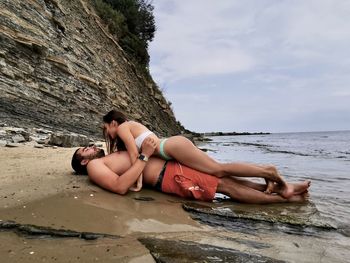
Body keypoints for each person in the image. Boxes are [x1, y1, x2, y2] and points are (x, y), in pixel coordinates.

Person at [102, 110, 290, 196]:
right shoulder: (130, 126)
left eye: (105, 129)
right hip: (172, 148)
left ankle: (268, 171)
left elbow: (136, 155)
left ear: (112, 122)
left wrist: (138, 182)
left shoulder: (122, 127)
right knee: (216, 173)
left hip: (171, 147)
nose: (108, 134)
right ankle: (266, 179)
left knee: (218, 170)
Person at [71, 137, 310, 204]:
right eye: (85, 150)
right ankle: (285, 199)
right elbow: (119, 186)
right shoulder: (95, 166)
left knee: (225, 177)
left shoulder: (110, 155)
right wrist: (144, 155)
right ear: (83, 162)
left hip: (174, 166)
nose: (91, 148)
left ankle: (283, 188)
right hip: (171, 177)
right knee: (224, 185)